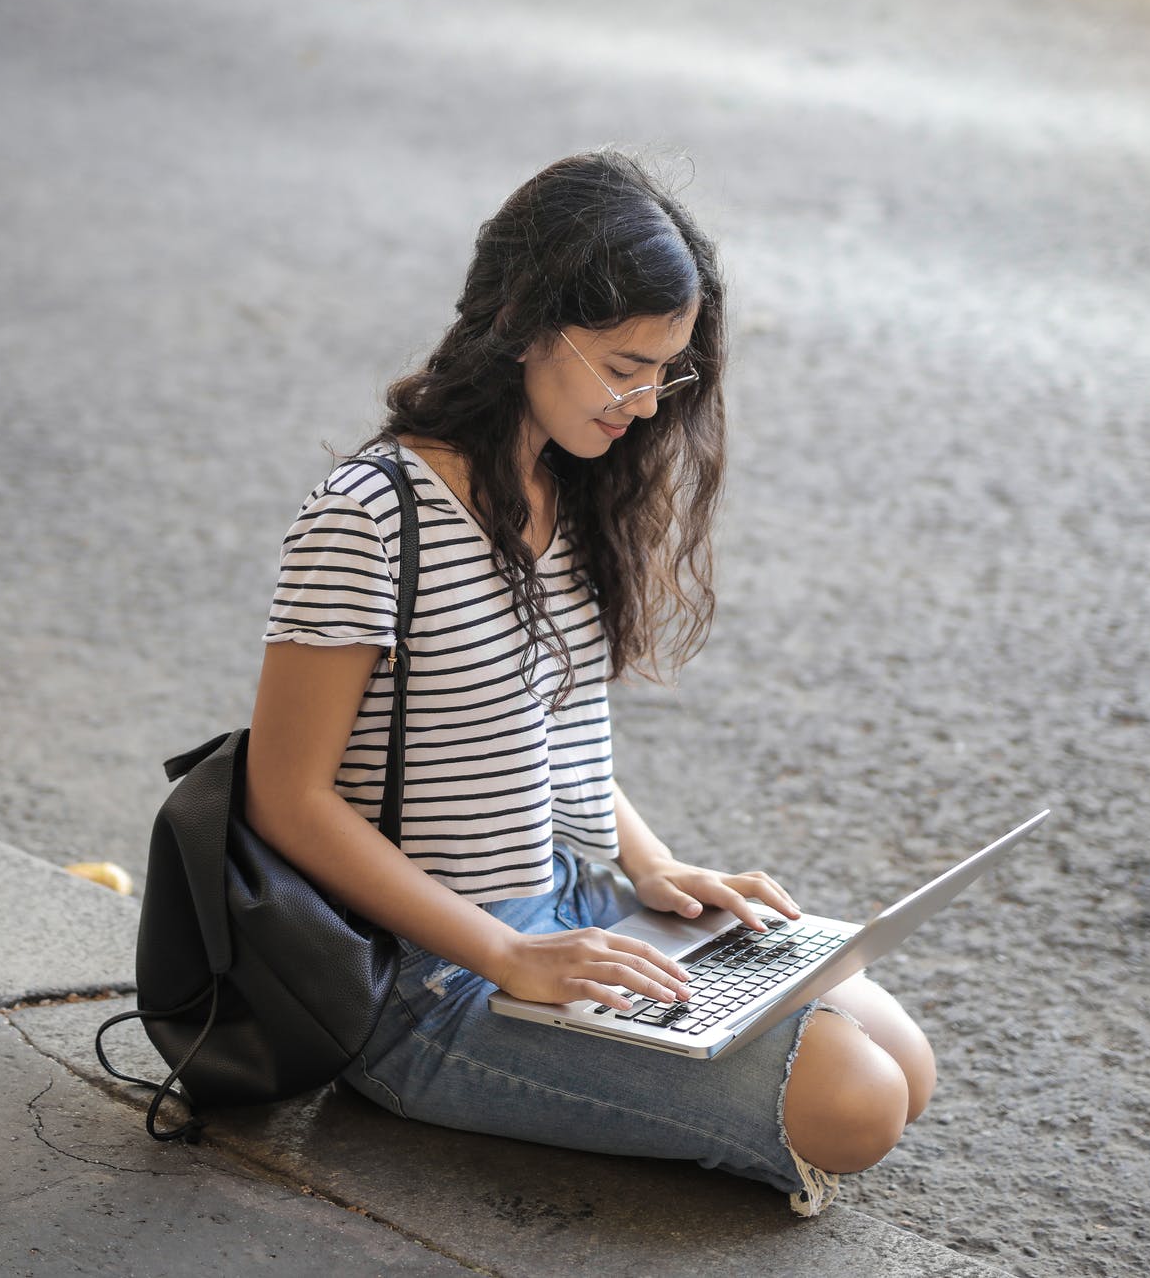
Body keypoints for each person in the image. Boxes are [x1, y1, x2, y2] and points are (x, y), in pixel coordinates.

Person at [242, 148, 936, 1218]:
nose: (649, 403)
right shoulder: (370, 514)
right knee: (860, 1103)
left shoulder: (563, 486)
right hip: (429, 977)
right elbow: (286, 795)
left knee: (905, 1060)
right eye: (624, 364)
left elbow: (539, 734)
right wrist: (509, 953)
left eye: (667, 368)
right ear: (523, 323)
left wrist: (657, 870)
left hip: (574, 907)